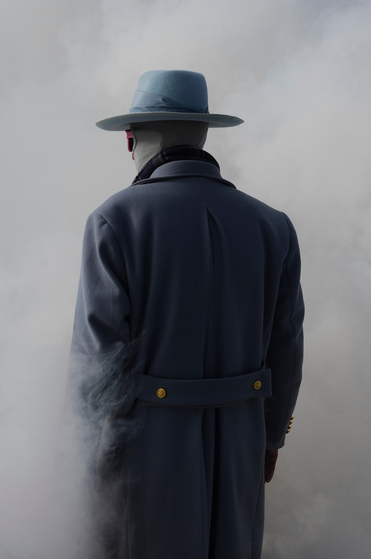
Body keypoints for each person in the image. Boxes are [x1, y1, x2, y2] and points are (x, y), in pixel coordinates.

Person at [70, 70, 304, 559]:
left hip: (147, 444)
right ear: (202, 135)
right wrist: (271, 436)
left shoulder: (115, 219)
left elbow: (97, 358)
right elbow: (287, 346)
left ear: (135, 138)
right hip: (243, 436)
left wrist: (75, 457)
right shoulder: (273, 225)